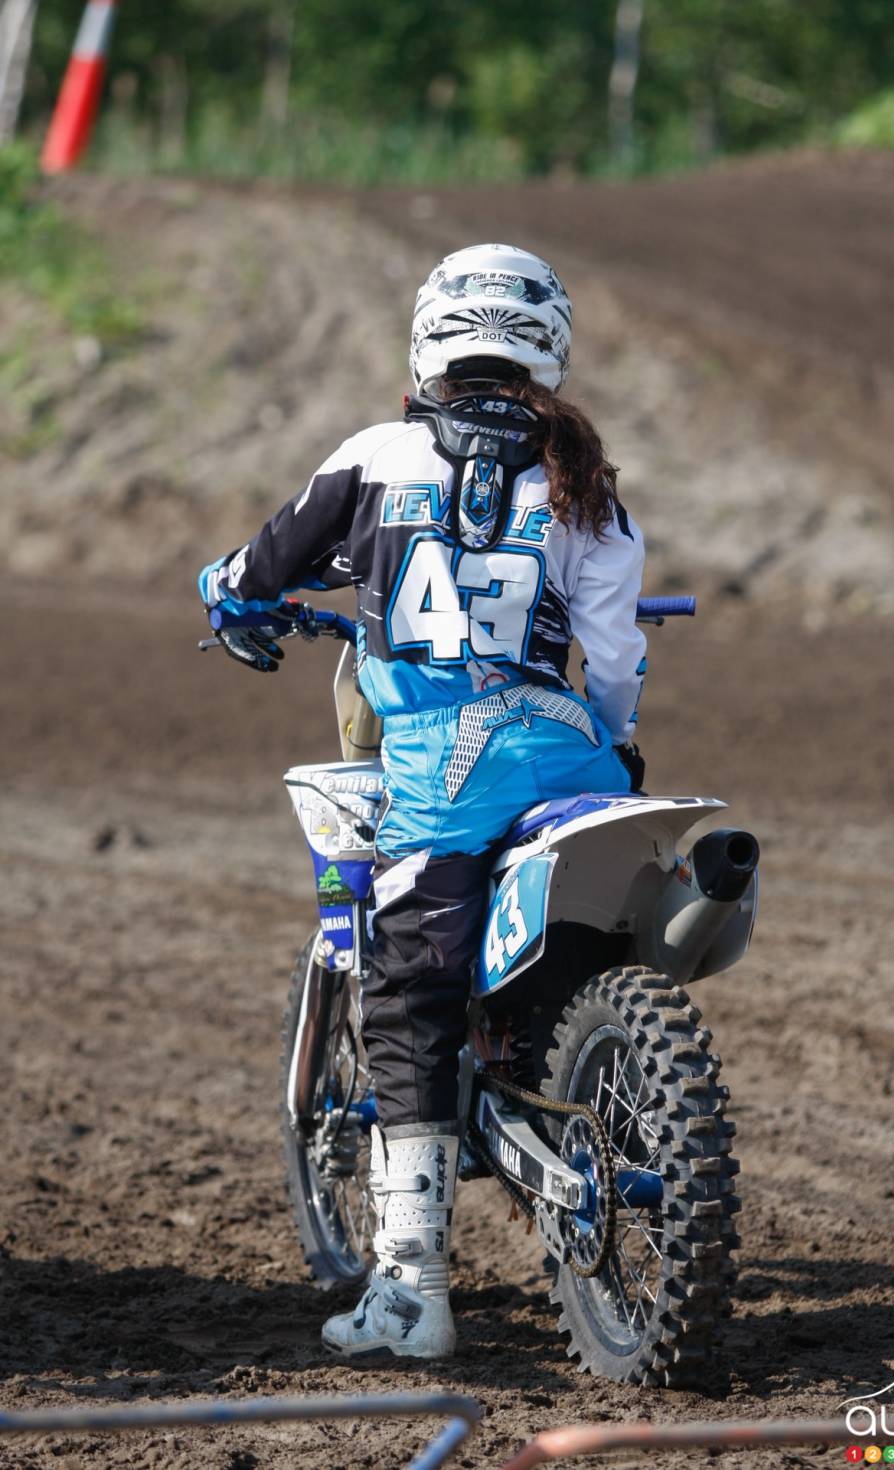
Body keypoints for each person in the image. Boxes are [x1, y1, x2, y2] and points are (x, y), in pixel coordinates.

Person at [198, 242, 647, 1360]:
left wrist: (228, 600)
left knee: (405, 1000)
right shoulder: (586, 481)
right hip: (566, 753)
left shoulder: (376, 456)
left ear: (430, 337)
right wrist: (618, 740)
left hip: (441, 767)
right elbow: (613, 659)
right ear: (546, 343)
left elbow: (257, 571)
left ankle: (411, 1290)